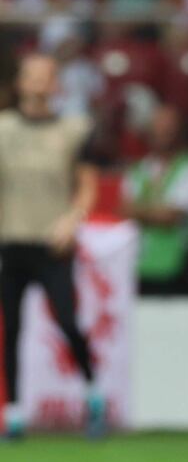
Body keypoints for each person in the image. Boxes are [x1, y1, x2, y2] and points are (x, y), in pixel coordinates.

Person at [0, 54, 105, 439]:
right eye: (33, 76)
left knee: (66, 320)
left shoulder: (73, 129)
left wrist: (72, 219)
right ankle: (13, 413)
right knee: (10, 329)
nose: (41, 84)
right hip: (11, 242)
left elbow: (87, 184)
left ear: (57, 84)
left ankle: (94, 396)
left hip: (53, 245)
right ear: (20, 83)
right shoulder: (4, 128)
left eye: (48, 77)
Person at [121, 104, 188, 297]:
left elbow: (171, 216)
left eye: (168, 128)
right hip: (139, 265)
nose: (162, 133)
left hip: (178, 268)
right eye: (157, 128)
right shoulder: (137, 170)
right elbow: (124, 211)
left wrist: (141, 211)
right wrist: (157, 212)